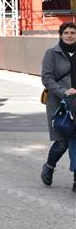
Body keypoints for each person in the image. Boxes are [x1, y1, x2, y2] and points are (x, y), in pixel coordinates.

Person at [40, 22, 76, 192]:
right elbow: (47, 78)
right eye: (66, 32)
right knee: (62, 142)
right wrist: (64, 91)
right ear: (61, 35)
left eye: (73, 32)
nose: (70, 35)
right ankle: (49, 166)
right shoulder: (51, 53)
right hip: (60, 103)